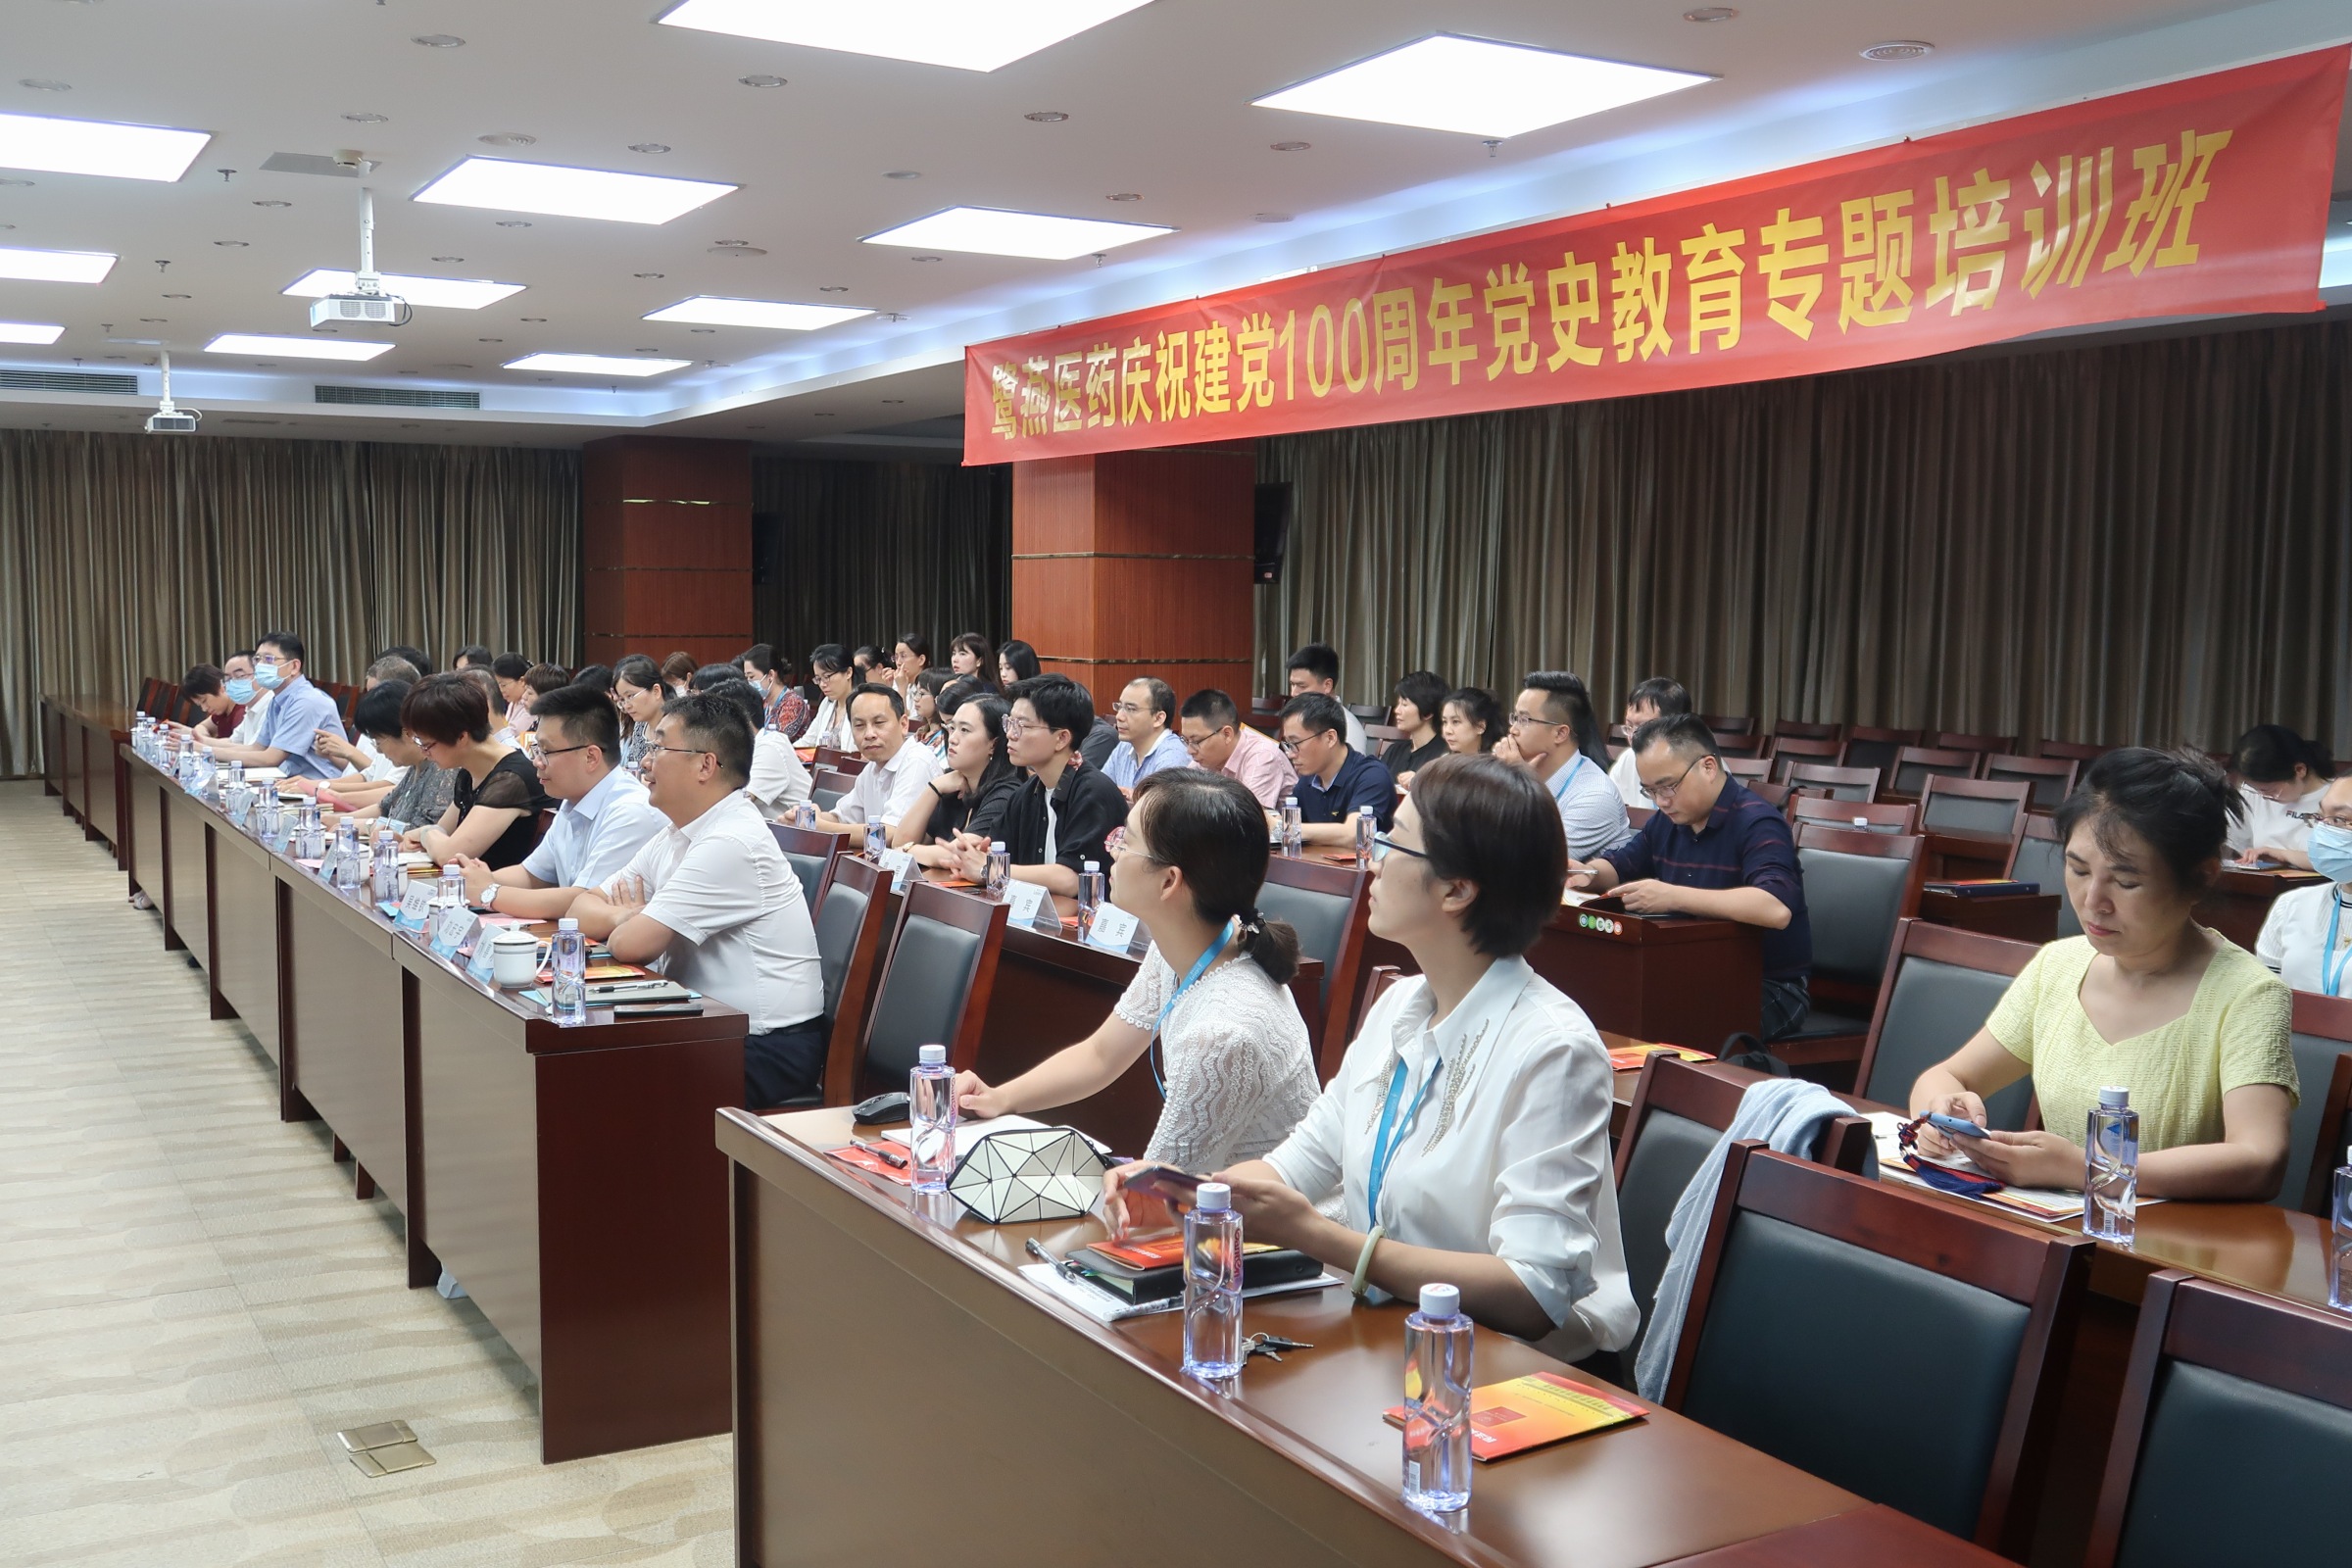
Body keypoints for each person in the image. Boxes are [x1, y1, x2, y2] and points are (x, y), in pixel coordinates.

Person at [1109, 754, 1637, 1361]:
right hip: (1389, 1335)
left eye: (1395, 844)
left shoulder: (1553, 1048)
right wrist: (1186, 1192)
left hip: (1512, 1370)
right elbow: (1299, 1163)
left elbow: (1533, 1294)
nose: (1375, 862)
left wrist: (1320, 1237)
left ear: (1458, 889)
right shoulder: (1401, 1006)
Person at [1913, 749, 2296, 1200]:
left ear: (2201, 877)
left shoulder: (2247, 994)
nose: (2093, 900)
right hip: (2060, 1224)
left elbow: (2260, 1159)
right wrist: (1939, 1115)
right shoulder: (2060, 966)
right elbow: (1948, 1076)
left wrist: (2089, 1169)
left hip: (2174, 1236)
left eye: (2126, 882)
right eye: (2078, 869)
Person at [957, 771, 1319, 1170]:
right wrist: (999, 1098)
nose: (1111, 850)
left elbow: (1160, 1192)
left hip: (1245, 1212)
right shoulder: (1188, 943)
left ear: (1169, 881)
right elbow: (1100, 1055)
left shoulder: (1222, 1033)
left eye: (1125, 842)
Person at [566, 692, 826, 1107]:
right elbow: (579, 910)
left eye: (659, 748)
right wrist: (625, 917)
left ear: (705, 765)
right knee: (584, 1063)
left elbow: (632, 946)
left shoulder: (731, 841)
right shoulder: (677, 832)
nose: (645, 762)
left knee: (601, 1082)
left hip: (765, 1046)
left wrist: (630, 922)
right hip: (707, 1025)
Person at [1569, 715, 1812, 1042]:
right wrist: (1584, 874)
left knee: (1668, 1025)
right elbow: (1621, 864)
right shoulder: (1669, 821)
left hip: (1767, 985)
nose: (1661, 801)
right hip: (1691, 975)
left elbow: (1775, 907)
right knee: (1596, 1002)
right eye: (1650, 790)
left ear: (1708, 767)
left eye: (1668, 786)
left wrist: (1672, 896)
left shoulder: (1757, 822)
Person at [454, 681, 666, 918]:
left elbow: (582, 900)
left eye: (546, 751)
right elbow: (532, 875)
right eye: (536, 750)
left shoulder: (631, 812)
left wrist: (489, 892)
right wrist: (475, 880)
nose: (537, 761)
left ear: (591, 757)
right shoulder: (574, 800)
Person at [951, 674, 1127, 895]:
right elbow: (994, 848)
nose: (1010, 734)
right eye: (1009, 723)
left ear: (1061, 738)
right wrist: (972, 852)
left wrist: (991, 869)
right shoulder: (1026, 793)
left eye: (1022, 725)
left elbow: (1071, 879)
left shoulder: (1094, 792)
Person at [398, 673, 552, 870]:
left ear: (461, 737)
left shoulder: (511, 778)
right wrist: (421, 836)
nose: (423, 753)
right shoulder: (469, 772)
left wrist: (424, 833)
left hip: (499, 886)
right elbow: (442, 831)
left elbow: (449, 854)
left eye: (427, 745)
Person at [1494, 671, 1632, 859]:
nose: (1513, 730)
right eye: (1515, 718)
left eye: (1524, 720)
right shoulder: (1531, 774)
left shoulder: (1595, 796)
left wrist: (1518, 782)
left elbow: (1532, 862)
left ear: (1560, 734)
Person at [894, 693, 1021, 868]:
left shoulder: (1006, 794)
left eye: (965, 730)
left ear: (993, 744)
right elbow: (899, 842)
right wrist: (934, 788)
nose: (952, 738)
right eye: (952, 728)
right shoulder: (952, 787)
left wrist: (908, 850)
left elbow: (958, 855)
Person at [200, 632, 342, 780]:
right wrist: (205, 746)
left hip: (322, 785)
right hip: (290, 781)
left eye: (269, 659)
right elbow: (257, 748)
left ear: (294, 666)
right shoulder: (277, 700)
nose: (260, 666)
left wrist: (205, 750)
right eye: (258, 660)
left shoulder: (307, 701)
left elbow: (271, 758)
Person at [2258, 774, 2352, 995]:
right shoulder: (2291, 905)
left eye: (2339, 819)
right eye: (2320, 817)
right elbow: (2264, 997)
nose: (2323, 830)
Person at [812, 683, 943, 836]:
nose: (869, 734)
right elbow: (842, 818)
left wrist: (821, 826)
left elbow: (891, 833)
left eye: (879, 723)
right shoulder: (872, 768)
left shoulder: (917, 761)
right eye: (859, 725)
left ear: (903, 724)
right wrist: (807, 816)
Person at [1278, 693, 1395, 845]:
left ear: (1330, 738)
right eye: (1287, 744)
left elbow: (1356, 834)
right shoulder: (1308, 780)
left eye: (1296, 743)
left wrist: (1287, 828)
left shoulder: (1372, 775)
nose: (1290, 754)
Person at [341, 681, 458, 831]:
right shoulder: (415, 767)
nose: (379, 750)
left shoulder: (443, 770)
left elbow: (421, 830)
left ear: (406, 734)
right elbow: (384, 807)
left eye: (379, 741)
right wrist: (340, 820)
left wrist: (367, 826)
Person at [700, 675, 813, 819]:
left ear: (741, 719)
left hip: (801, 831)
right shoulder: (735, 750)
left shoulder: (769, 747)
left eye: (713, 722)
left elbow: (738, 803)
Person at [2229, 724, 2333, 869]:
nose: (2263, 796)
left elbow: (2340, 861)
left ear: (2299, 770)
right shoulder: (2252, 794)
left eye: (2270, 790)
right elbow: (2232, 844)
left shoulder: (2338, 797)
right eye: (2256, 789)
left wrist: (2283, 855)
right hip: (2262, 879)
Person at [1179, 688, 1296, 808]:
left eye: (1196, 741)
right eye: (1186, 741)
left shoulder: (1262, 757)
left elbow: (1248, 815)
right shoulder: (1205, 759)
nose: (1190, 750)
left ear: (1227, 734)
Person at [1610, 677, 1690, 809]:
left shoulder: (1699, 767)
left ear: (1675, 727)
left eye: (1642, 727)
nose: (1633, 737)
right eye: (1629, 726)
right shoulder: (1628, 759)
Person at [1103, 676, 1190, 794]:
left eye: (1130, 709)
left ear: (1158, 718)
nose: (1119, 717)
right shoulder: (1124, 747)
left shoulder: (1173, 755)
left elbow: (1159, 804)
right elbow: (1100, 793)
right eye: (1119, 707)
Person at [1287, 642, 1371, 755]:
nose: (1293, 693)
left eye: (1302, 686)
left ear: (1327, 685)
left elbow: (1353, 766)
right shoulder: (1297, 719)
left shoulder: (1348, 728)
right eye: (1292, 684)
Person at [1382, 671, 1449, 784]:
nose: (1397, 710)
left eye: (1404, 704)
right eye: (1398, 704)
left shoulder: (1444, 756)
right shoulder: (1394, 750)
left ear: (1428, 712)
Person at [612, 654, 664, 775]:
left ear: (656, 691)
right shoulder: (640, 726)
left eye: (630, 696)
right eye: (622, 699)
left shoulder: (677, 726)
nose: (626, 706)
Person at [802, 643, 858, 752]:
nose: (822, 684)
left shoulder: (863, 705)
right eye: (818, 679)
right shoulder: (827, 703)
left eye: (827, 677)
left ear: (848, 672)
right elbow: (808, 741)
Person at [1440, 686, 1500, 758]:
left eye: (1455, 722)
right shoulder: (1444, 760)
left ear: (1480, 727)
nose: (1447, 731)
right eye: (1445, 722)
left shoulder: (1497, 761)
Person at [908, 667, 954, 762]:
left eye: (922, 693)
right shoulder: (921, 732)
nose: (916, 698)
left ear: (939, 697)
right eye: (916, 692)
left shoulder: (947, 738)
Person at [492, 653, 534, 734]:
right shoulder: (513, 702)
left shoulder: (529, 704)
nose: (501, 690)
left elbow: (513, 732)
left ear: (522, 681)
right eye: (498, 685)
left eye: (503, 685)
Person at [892, 632, 932, 697]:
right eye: (896, 657)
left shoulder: (929, 689)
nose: (898, 663)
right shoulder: (897, 684)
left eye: (903, 656)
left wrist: (902, 688)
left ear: (921, 660)